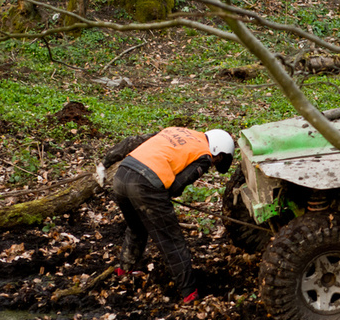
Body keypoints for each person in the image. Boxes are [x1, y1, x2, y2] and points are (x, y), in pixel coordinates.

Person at [95, 127, 235, 303]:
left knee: (136, 226)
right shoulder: (204, 156)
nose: (213, 164)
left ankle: (124, 270)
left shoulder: (175, 130)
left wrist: (104, 164)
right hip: (145, 185)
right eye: (217, 161)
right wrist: (159, 195)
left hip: (122, 176)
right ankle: (189, 293)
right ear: (218, 153)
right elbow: (177, 186)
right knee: (171, 241)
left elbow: (132, 141)